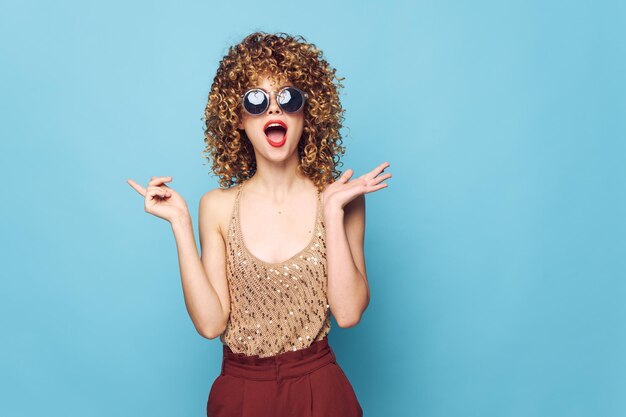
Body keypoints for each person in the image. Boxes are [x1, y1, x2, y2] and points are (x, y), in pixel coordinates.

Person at [127, 31, 391, 417]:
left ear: (307, 111)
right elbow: (210, 323)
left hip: (320, 388)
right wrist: (180, 224)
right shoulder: (216, 207)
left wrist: (332, 213)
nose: (273, 111)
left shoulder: (342, 199)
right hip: (241, 393)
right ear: (237, 118)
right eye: (256, 101)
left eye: (288, 98)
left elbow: (348, 314)